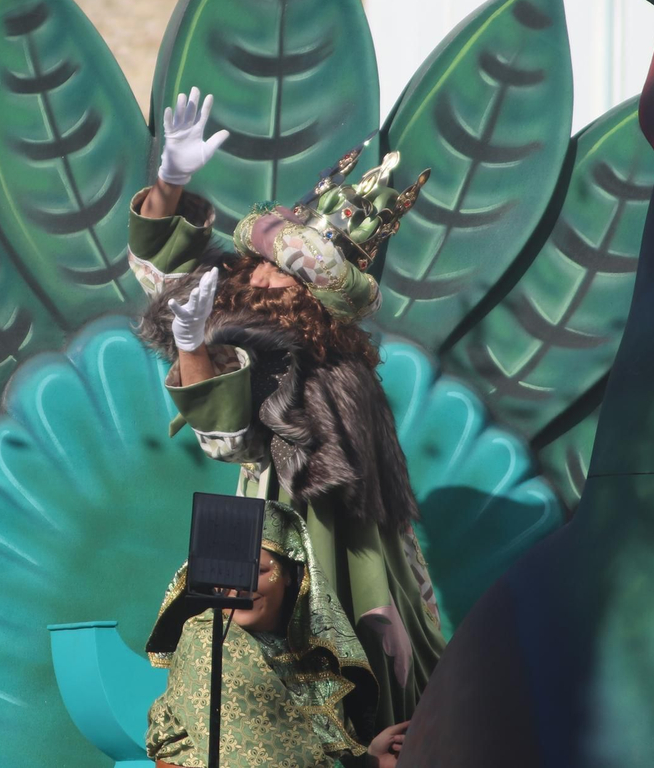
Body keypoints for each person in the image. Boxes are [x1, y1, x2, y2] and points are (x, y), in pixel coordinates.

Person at [131, 88, 445, 742]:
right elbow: (165, 268)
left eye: (291, 276)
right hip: (259, 522)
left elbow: (230, 438)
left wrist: (193, 348)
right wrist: (170, 178)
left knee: (300, 670)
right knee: (228, 684)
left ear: (314, 302)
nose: (269, 279)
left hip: (299, 534)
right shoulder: (240, 304)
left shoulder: (313, 366)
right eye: (271, 263)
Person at [145, 501, 411, 768]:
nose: (239, 587)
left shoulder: (307, 651)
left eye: (259, 571)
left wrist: (370, 759)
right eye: (226, 571)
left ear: (290, 574)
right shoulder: (210, 640)